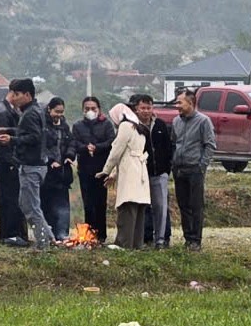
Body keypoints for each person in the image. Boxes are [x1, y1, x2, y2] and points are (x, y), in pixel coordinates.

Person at [11, 78, 56, 249]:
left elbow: (34, 137)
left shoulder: (30, 113)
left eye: (16, 94)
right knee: (26, 204)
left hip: (31, 165)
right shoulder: (36, 110)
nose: (13, 98)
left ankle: (43, 243)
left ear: (27, 95)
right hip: (36, 164)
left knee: (31, 207)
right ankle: (49, 237)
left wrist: (12, 139)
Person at [100, 100, 150, 249]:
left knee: (127, 207)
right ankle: (136, 243)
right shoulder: (139, 127)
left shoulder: (125, 126)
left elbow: (117, 150)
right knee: (138, 209)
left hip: (130, 172)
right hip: (140, 170)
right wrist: (114, 173)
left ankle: (123, 243)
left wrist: (106, 170)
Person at [170, 86, 216, 250]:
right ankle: (188, 238)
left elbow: (210, 145)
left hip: (194, 169)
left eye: (180, 103)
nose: (177, 106)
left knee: (196, 206)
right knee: (183, 206)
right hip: (179, 169)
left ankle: (196, 240)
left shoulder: (203, 121)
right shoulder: (176, 121)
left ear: (191, 103)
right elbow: (174, 143)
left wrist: (201, 166)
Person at [0, 84, 29, 246]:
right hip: (6, 163)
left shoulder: (8, 111)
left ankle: (12, 234)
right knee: (10, 199)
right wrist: (13, 162)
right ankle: (10, 234)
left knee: (11, 198)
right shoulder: (3, 114)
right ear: (13, 94)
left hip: (8, 161)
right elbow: (1, 144)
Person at [72, 96, 115, 242]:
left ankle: (101, 235)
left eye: (93, 108)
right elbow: (74, 143)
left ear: (99, 110)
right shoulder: (78, 126)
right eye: (87, 109)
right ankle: (88, 234)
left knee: (100, 203)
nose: (90, 111)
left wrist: (97, 147)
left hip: (101, 169)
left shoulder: (106, 125)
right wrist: (86, 148)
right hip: (84, 169)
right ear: (83, 110)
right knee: (88, 204)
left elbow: (111, 142)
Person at [137, 95, 175, 249]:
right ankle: (145, 238)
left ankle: (161, 239)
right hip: (142, 174)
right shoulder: (135, 126)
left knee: (161, 207)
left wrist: (167, 169)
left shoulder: (160, 124)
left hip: (159, 173)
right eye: (143, 108)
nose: (146, 111)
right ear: (137, 109)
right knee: (143, 207)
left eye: (148, 107)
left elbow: (168, 147)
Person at [39, 97, 75, 240]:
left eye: (61, 112)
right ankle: (48, 234)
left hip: (63, 172)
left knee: (63, 205)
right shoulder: (43, 125)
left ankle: (62, 233)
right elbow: (42, 146)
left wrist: (70, 155)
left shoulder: (64, 125)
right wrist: (51, 161)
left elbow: (71, 142)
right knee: (47, 203)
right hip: (48, 173)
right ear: (49, 109)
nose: (59, 115)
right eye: (56, 111)